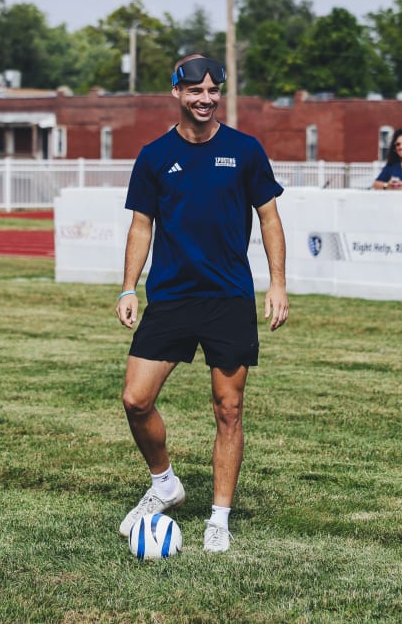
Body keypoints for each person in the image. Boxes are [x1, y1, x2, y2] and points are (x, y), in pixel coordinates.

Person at [115, 54, 289, 555]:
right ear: (176, 92)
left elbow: (270, 219)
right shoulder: (153, 155)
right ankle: (164, 483)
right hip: (170, 296)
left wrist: (277, 284)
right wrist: (129, 286)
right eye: (196, 91)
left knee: (228, 409)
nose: (205, 100)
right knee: (135, 399)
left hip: (228, 297)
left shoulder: (245, 150)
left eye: (213, 91)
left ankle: (219, 517)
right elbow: (141, 225)